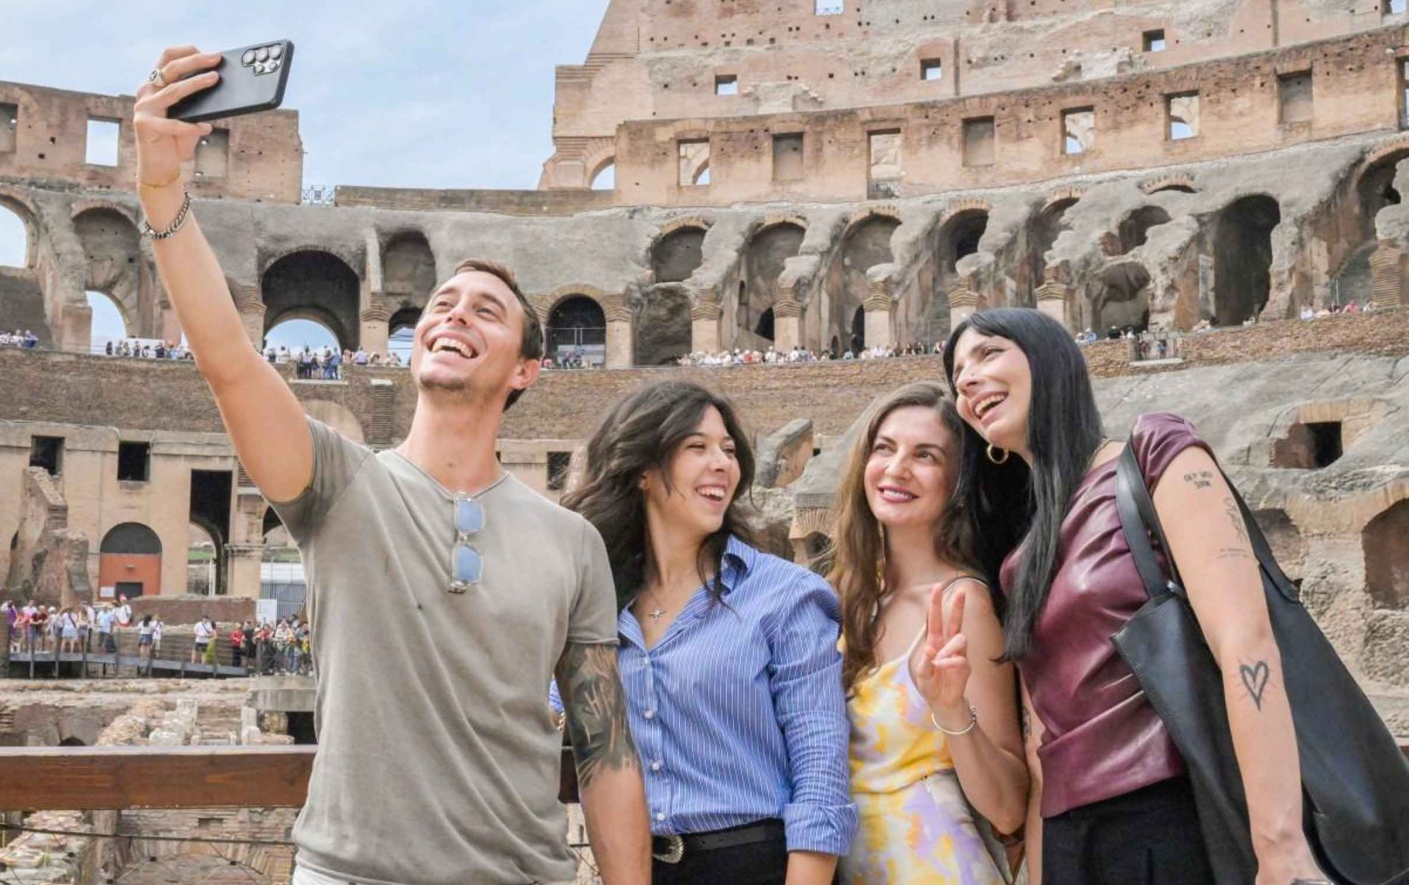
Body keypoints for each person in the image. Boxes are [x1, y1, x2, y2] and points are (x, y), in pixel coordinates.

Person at [132, 43, 648, 885]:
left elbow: (606, 752)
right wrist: (161, 191)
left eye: (487, 311)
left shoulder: (572, 542)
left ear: (527, 368)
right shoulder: (338, 484)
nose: (454, 315)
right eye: (442, 304)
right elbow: (229, 359)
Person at [944, 308, 1329, 885]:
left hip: (1176, 815)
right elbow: (1044, 745)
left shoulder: (1155, 455)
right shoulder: (1019, 560)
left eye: (988, 353)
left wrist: (1280, 846)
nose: (968, 380)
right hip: (1073, 840)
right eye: (957, 376)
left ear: (1051, 362)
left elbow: (1244, 643)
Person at [562, 380, 855, 885]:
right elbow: (563, 724)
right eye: (696, 447)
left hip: (757, 866)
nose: (722, 463)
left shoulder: (785, 595)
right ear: (642, 471)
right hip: (634, 867)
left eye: (728, 449)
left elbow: (820, 773)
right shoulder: (595, 603)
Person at [825, 383, 1026, 885]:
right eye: (884, 448)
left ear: (957, 482)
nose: (897, 469)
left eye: (925, 456)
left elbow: (1008, 808)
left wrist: (950, 708)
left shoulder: (964, 604)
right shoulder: (840, 596)